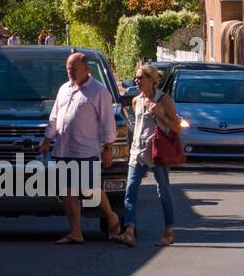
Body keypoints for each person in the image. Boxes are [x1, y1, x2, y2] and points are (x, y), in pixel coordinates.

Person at [38, 52, 121, 244]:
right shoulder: (64, 89)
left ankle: (111, 216)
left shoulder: (98, 91)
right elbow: (55, 117)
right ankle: (76, 232)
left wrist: (108, 147)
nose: (70, 72)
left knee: (89, 189)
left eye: (74, 69)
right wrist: (47, 139)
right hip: (63, 149)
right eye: (68, 69)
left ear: (85, 68)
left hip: (85, 150)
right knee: (66, 192)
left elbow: (108, 122)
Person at [119, 63, 180, 247]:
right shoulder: (136, 101)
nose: (136, 81)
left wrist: (160, 113)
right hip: (137, 152)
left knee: (163, 191)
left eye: (140, 77)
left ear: (152, 81)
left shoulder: (164, 100)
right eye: (135, 77)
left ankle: (169, 231)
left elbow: (177, 127)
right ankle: (129, 230)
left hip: (157, 152)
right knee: (130, 190)